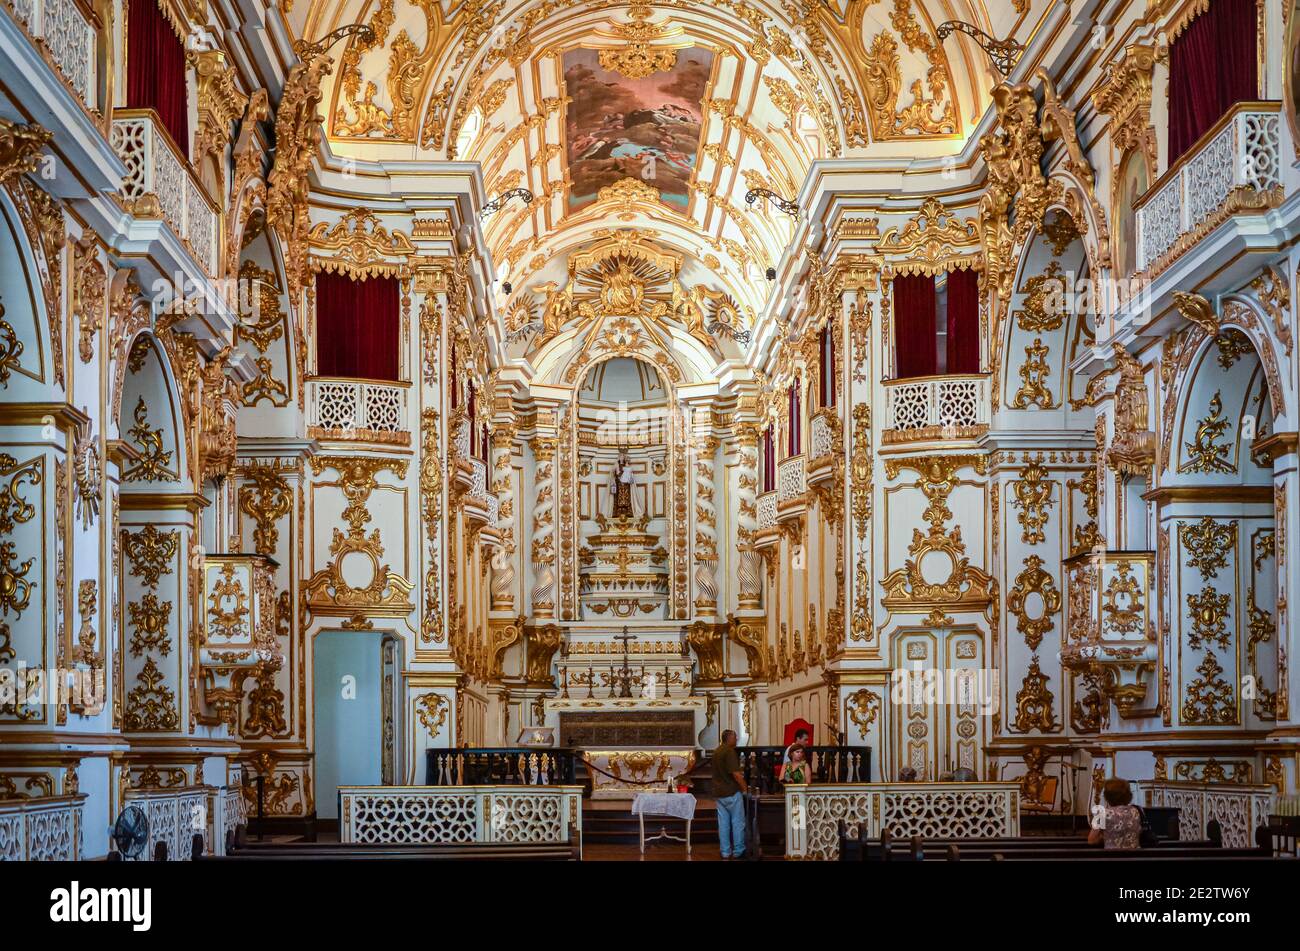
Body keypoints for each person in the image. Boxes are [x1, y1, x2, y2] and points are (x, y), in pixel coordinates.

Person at [712, 729, 748, 859]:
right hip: (731, 792)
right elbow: (736, 774)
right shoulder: (729, 752)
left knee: (723, 824)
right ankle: (738, 850)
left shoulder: (717, 751)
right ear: (729, 739)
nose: (736, 739)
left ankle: (725, 851)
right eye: (735, 737)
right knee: (737, 822)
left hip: (719, 793)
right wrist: (745, 789)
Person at [1088, 778, 1142, 849]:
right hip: (1136, 857)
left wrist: (1106, 837)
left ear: (1107, 796)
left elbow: (1092, 840)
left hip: (1112, 857)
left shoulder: (1102, 814)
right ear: (1128, 795)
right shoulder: (1134, 811)